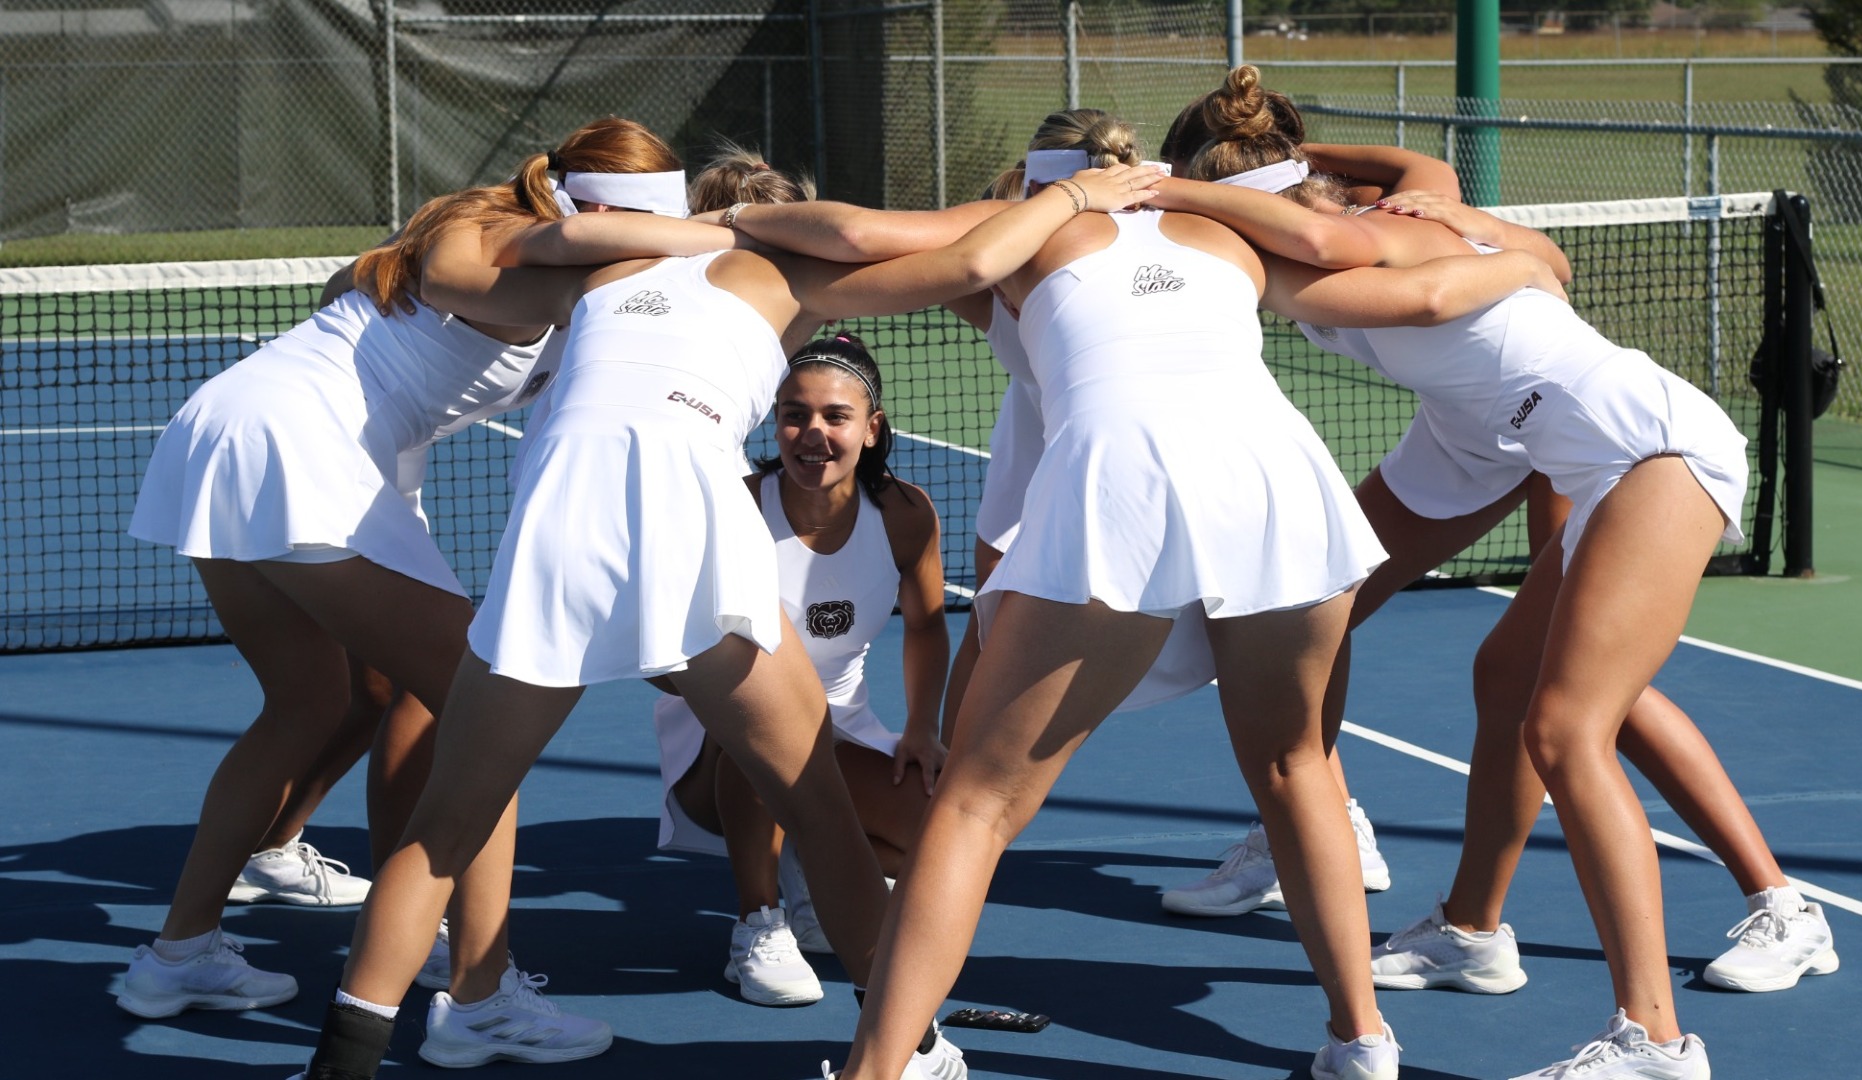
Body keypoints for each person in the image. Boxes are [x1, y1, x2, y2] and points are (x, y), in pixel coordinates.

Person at [722, 108, 1566, 1080]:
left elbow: (862, 239)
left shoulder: (1034, 227)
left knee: (975, 807)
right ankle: (1362, 1041)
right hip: (1276, 477)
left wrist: (724, 228)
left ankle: (877, 1072)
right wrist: (1525, 255)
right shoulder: (1230, 229)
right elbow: (1394, 250)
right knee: (1299, 769)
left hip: (1122, 480)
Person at [287, 159, 1165, 1080]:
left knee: (444, 827)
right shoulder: (794, 273)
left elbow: (446, 267)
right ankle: (908, 1051)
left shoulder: (602, 269)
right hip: (686, 509)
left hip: (558, 515)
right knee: (820, 813)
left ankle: (339, 1070)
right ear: (793, 221)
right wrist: (1071, 196)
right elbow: (966, 258)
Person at [1150, 63, 1785, 1079]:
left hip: (1652, 454)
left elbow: (1355, 247)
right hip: (1585, 450)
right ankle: (1467, 932)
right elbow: (1423, 168)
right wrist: (1295, 157)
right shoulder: (1399, 209)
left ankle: (1656, 1041)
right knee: (1503, 678)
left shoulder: (1345, 244)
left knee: (1566, 728)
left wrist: (1166, 190)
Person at [121, 117, 737, 1068]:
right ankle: (480, 994)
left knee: (312, 703)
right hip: (293, 447)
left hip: (237, 434)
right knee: (490, 702)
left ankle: (178, 955)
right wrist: (735, 233)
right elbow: (567, 247)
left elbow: (379, 359)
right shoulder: (487, 241)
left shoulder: (561, 282)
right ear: (616, 210)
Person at [653, 334, 948, 1007]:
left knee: (939, 831)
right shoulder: (735, 511)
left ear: (872, 429)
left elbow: (928, 625)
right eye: (794, 414)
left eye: (835, 417)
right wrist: (714, 679)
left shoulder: (906, 516)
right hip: (719, 749)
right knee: (766, 734)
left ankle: (808, 875)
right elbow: (660, 658)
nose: (812, 432)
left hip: (842, 732)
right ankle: (758, 924)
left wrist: (923, 728)